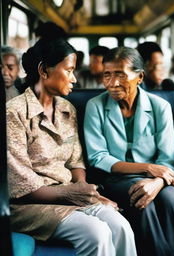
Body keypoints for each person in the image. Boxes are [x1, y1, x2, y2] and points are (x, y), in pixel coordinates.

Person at [7, 38, 137, 256]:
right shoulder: (14, 113)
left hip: (69, 197)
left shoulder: (67, 109)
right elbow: (22, 187)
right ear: (43, 70)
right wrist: (72, 194)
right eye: (68, 70)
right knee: (96, 232)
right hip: (28, 206)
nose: (74, 78)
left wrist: (84, 191)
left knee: (120, 226)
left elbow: (75, 162)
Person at [84, 46, 174, 256]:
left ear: (140, 77)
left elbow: (167, 157)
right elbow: (98, 157)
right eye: (107, 75)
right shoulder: (95, 106)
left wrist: (158, 181)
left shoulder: (160, 107)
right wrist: (149, 169)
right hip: (115, 179)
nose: (112, 83)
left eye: (120, 75)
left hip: (158, 178)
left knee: (172, 199)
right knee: (141, 200)